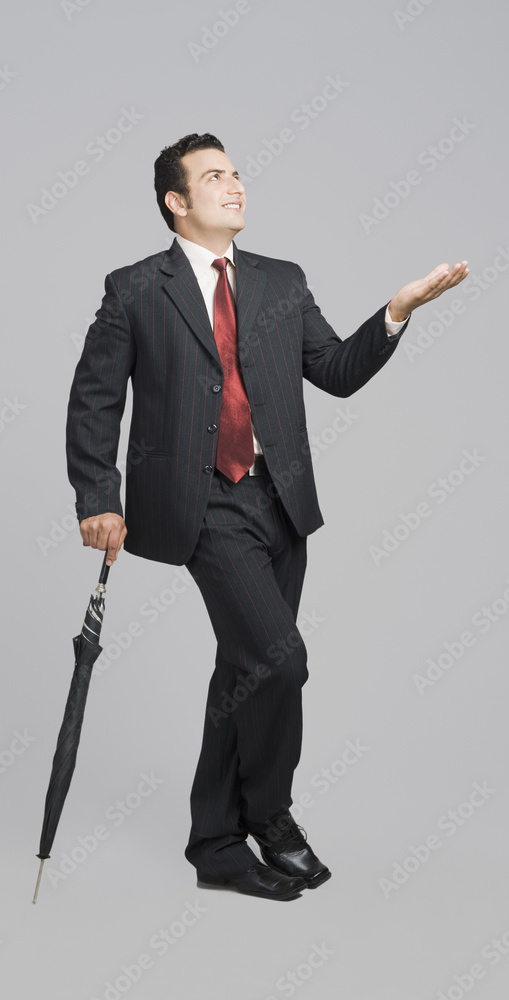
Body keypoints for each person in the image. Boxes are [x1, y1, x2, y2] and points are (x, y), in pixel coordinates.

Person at [66, 132, 468, 901]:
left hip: (279, 500)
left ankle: (215, 846)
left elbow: (335, 372)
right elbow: (94, 401)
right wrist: (98, 499)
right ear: (175, 201)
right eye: (213, 176)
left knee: (245, 669)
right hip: (200, 503)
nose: (235, 185)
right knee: (279, 661)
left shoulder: (281, 280)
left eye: (236, 172)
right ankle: (271, 817)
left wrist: (396, 311)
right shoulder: (134, 289)